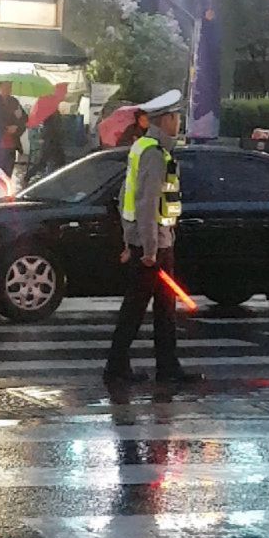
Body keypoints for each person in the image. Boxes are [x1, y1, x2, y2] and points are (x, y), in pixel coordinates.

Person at [104, 90, 203, 385]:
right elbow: (145, 202)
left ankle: (165, 368)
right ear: (167, 119)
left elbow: (126, 197)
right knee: (139, 309)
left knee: (162, 309)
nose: (179, 123)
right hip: (153, 246)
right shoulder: (154, 154)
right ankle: (118, 369)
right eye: (177, 118)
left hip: (156, 242)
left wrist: (129, 240)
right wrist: (148, 249)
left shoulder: (144, 148)